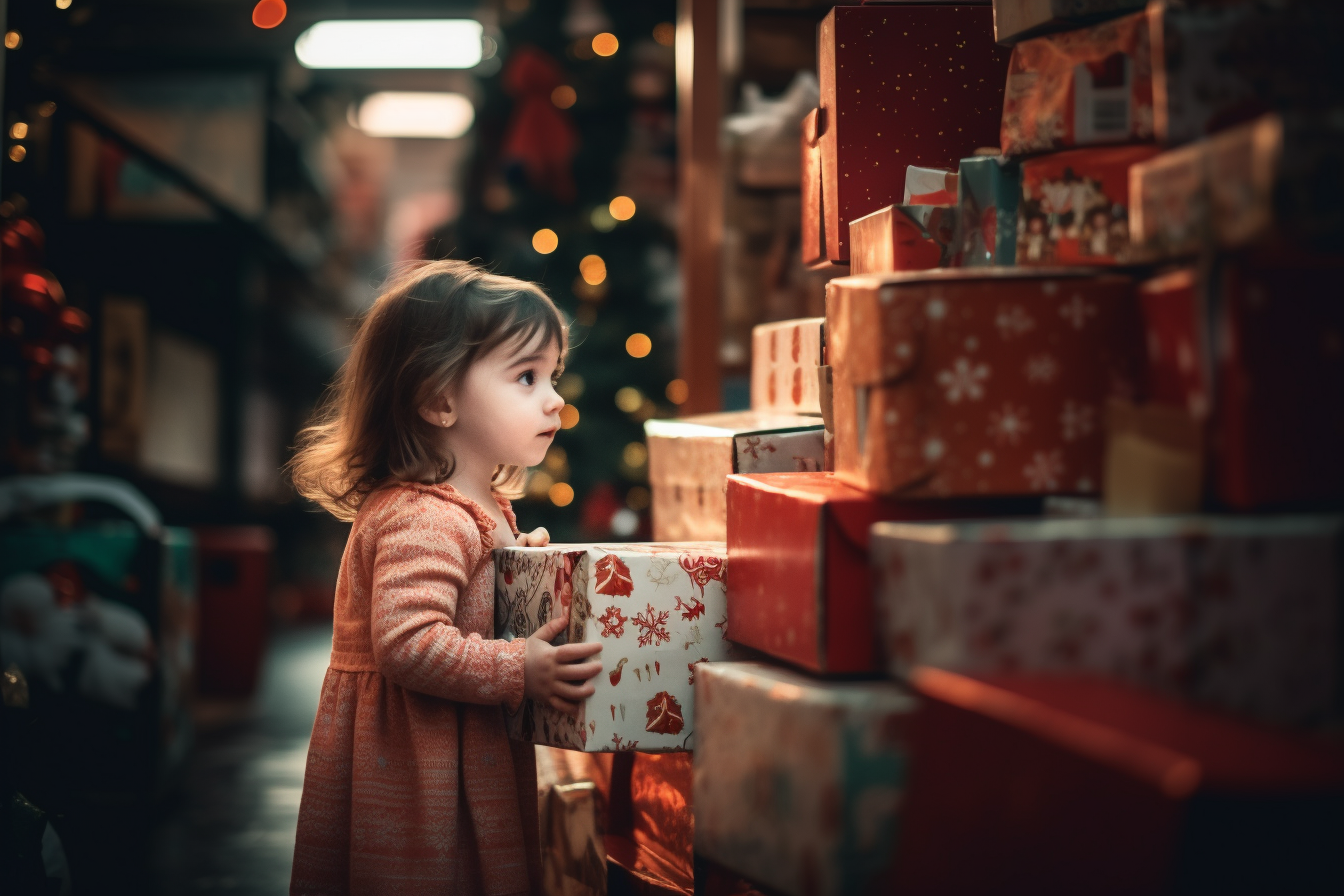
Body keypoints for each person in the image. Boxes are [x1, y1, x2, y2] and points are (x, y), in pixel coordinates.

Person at [287, 260, 603, 895]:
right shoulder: (421, 515)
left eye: (554, 376)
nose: (555, 399)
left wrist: (519, 570)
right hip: (415, 770)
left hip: (462, 750)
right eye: (526, 376)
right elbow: (407, 644)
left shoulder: (475, 507)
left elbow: (468, 594)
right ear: (439, 398)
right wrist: (522, 669)